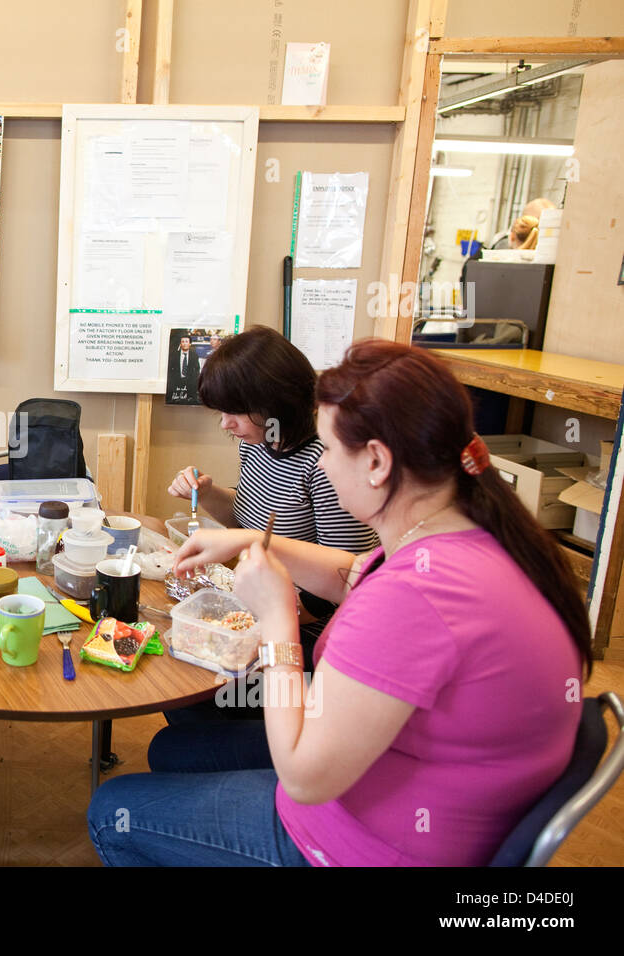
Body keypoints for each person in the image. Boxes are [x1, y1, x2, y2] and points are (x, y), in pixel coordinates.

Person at [89, 340, 590, 866]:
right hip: (404, 778)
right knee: (173, 751)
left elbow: (304, 777)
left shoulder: (414, 598)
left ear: (376, 461)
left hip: (366, 842)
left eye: (327, 450)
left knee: (111, 810)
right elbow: (354, 573)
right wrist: (252, 542)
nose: (321, 465)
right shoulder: (470, 533)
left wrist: (280, 619)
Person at [168, 326, 377, 666]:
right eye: (221, 412)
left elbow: (342, 583)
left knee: (196, 685)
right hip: (264, 601)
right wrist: (206, 494)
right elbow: (248, 519)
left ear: (274, 403)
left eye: (234, 412)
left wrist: (247, 621)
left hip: (311, 629)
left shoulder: (325, 464)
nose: (225, 425)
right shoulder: (258, 444)